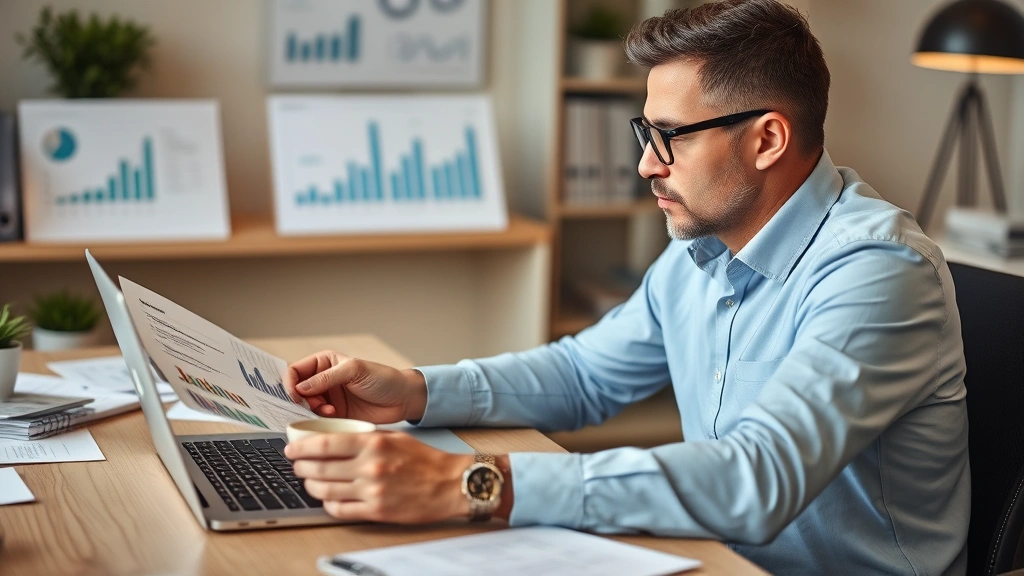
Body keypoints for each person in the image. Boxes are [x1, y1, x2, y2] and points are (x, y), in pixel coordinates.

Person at [282, 0, 970, 573]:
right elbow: (583, 375)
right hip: (711, 558)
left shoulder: (878, 271)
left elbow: (758, 478)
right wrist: (415, 392)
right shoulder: (701, 249)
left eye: (670, 136)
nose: (645, 164)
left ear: (767, 140)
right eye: (646, 132)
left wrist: (468, 481)